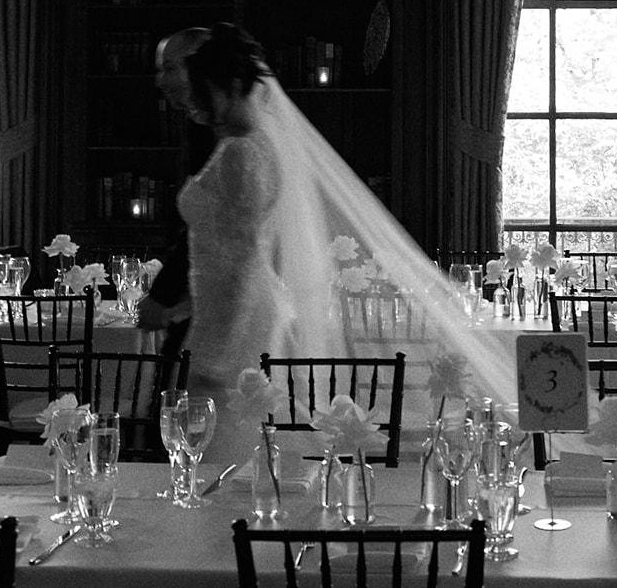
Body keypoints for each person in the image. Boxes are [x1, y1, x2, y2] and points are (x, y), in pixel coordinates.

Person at [176, 23, 516, 470]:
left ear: (235, 85)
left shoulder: (243, 152)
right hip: (232, 301)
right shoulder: (253, 146)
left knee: (228, 433)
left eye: (208, 93)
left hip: (234, 310)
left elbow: (239, 258)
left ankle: (230, 521)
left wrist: (216, 353)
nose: (201, 107)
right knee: (235, 435)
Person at [135, 27, 214, 365]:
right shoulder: (200, 123)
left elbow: (205, 225)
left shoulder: (224, 135)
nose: (159, 80)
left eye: (169, 68)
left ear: (199, 68)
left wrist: (163, 296)